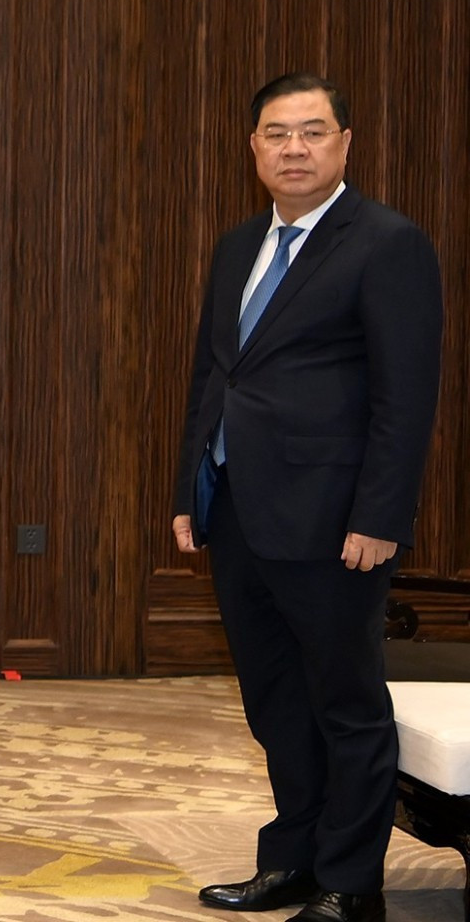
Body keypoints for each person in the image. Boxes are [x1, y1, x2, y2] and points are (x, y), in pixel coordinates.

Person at [173, 74, 442, 922]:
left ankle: (351, 884)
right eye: (277, 133)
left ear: (345, 144)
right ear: (253, 147)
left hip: (334, 523)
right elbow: (213, 377)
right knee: (276, 703)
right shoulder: (237, 245)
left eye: (313, 132)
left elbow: (406, 398)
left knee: (345, 704)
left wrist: (381, 516)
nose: (294, 148)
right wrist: (189, 489)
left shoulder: (387, 243)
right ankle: (292, 860)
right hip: (238, 512)